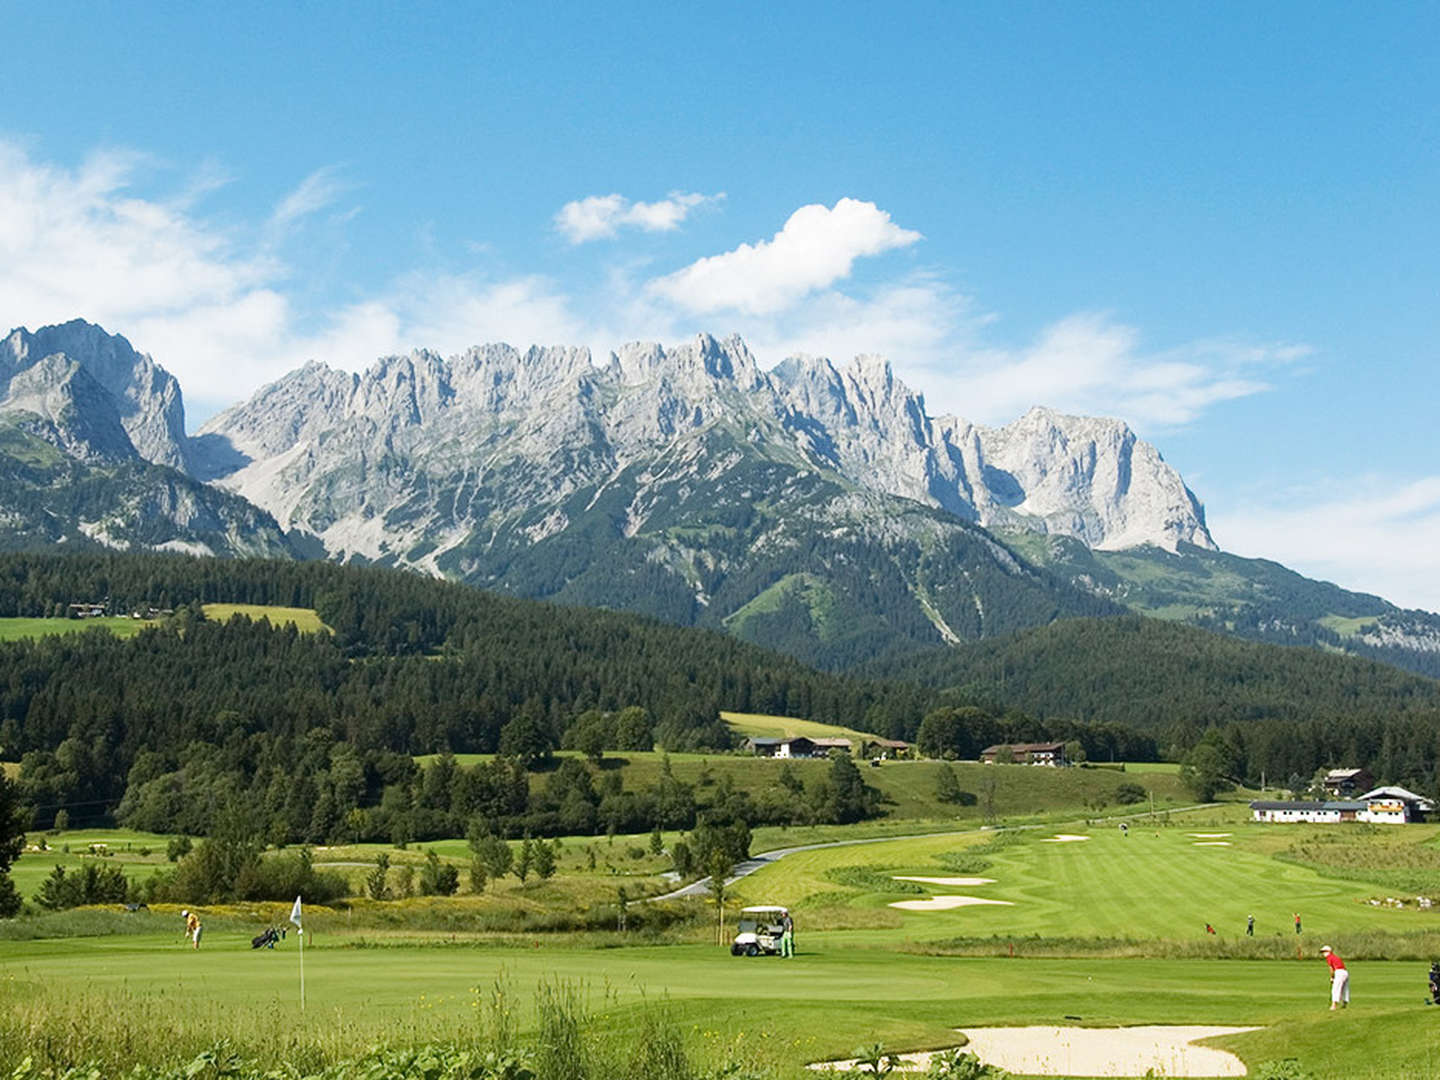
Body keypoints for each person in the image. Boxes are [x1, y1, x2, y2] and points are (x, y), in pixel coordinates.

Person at [1321, 945, 1348, 1009]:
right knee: (1344, 989)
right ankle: (1344, 1004)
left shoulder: (1329, 957)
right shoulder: (1335, 957)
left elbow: (1331, 969)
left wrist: (1332, 977)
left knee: (1335, 989)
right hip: (1345, 972)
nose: (1323, 953)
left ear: (1328, 951)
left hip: (1339, 972)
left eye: (1324, 951)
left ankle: (1334, 1005)